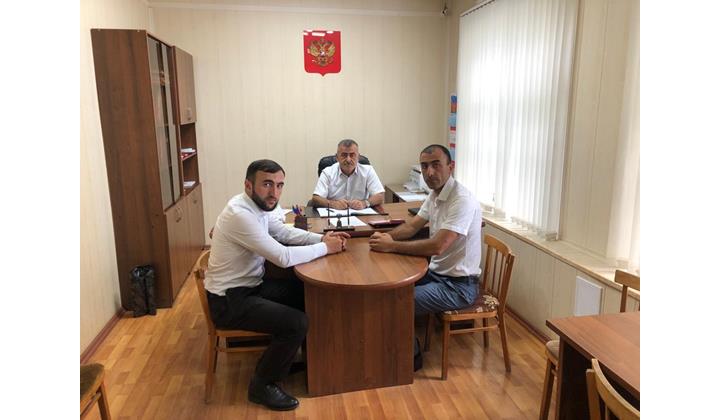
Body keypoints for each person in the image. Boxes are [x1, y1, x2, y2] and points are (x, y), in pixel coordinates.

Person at [204, 159, 349, 411]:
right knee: (296, 322)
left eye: (279, 185)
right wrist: (327, 248)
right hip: (229, 300)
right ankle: (262, 385)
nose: (274, 192)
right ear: (248, 185)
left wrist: (321, 238)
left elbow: (283, 232)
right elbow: (283, 257)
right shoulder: (240, 214)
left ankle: (287, 359)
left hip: (250, 286)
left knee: (306, 294)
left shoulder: (257, 207)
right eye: (267, 184)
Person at [368, 144, 482, 370]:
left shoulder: (462, 200)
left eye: (436, 165)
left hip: (459, 286)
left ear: (450, 166)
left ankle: (411, 358)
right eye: (425, 166)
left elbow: (438, 246)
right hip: (436, 274)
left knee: (398, 302)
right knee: (388, 287)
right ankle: (388, 344)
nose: (429, 172)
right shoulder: (435, 194)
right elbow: (412, 226)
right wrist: (386, 237)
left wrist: (391, 247)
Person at [311, 139, 385, 210]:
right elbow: (316, 198)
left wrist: (364, 203)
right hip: (334, 214)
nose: (348, 159)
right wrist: (333, 204)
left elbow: (380, 196)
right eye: (344, 155)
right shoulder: (327, 172)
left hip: (360, 214)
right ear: (337, 157)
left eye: (352, 155)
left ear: (358, 157)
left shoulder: (368, 171)